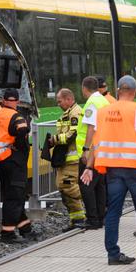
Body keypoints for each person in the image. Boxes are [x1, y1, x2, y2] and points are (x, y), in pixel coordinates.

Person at [83, 75, 136, 264]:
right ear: (135, 92)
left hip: (113, 170)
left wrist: (89, 166)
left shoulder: (103, 112)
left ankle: (113, 254)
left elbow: (96, 142)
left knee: (113, 211)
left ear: (118, 91)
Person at [0, 88, 33, 242]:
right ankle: (7, 234)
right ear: (17, 102)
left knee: (11, 194)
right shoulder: (17, 116)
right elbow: (22, 130)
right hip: (14, 161)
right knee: (15, 196)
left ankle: (25, 229)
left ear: (3, 101)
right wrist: (19, 147)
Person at [49, 88, 86, 230]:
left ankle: (94, 201)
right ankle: (77, 219)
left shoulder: (75, 112)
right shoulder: (68, 113)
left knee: (68, 185)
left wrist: (55, 140)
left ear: (68, 99)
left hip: (73, 159)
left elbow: (73, 134)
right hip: (65, 159)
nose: (58, 104)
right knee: (62, 186)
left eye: (60, 101)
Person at [77, 76, 110, 229]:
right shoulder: (104, 101)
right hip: (102, 147)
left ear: (85, 88)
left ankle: (92, 219)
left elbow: (91, 128)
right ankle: (100, 217)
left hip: (92, 150)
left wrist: (86, 149)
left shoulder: (91, 103)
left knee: (86, 184)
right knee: (100, 184)